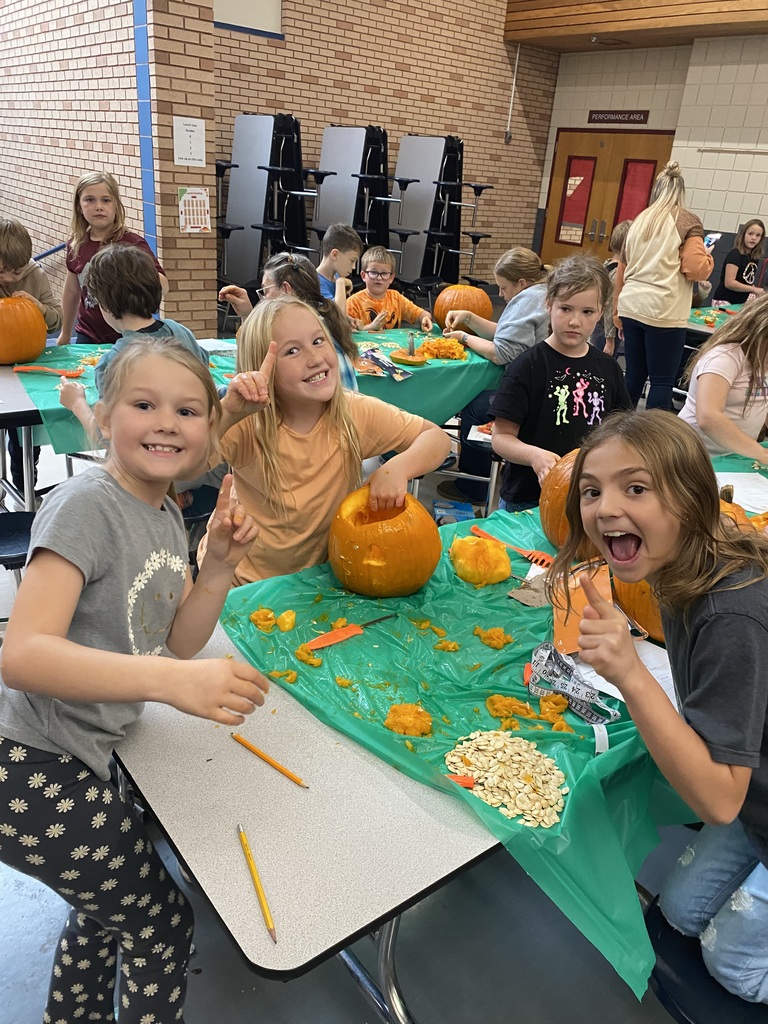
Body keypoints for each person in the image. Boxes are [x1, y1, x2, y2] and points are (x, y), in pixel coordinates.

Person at [0, 337, 270, 1022]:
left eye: (187, 411)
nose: (165, 423)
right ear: (101, 413)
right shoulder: (87, 505)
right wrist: (167, 687)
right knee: (160, 926)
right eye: (143, 405)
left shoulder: (162, 512)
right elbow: (24, 652)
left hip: (82, 755)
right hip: (29, 767)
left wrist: (215, 572)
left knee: (102, 915)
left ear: (209, 428)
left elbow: (176, 640)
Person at [550, 409, 768, 1004]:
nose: (604, 508)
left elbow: (720, 800)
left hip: (743, 798)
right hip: (759, 800)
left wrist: (628, 673)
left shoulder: (731, 611)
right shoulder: (679, 570)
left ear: (693, 499)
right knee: (677, 912)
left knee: (732, 964)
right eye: (592, 491)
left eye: (636, 488)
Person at [196, 296, 450, 585]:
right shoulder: (247, 422)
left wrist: (397, 469)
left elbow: (436, 438)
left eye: (319, 341)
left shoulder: (354, 412)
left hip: (321, 579)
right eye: (292, 351)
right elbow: (189, 466)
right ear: (261, 366)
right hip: (242, 581)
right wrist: (229, 413)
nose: (315, 358)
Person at [489, 254, 631, 510]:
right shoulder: (528, 366)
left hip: (589, 500)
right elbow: (501, 438)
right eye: (565, 309)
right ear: (549, 304)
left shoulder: (609, 369)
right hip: (527, 499)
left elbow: (622, 432)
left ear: (601, 312)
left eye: (587, 311)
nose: (575, 321)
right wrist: (534, 455)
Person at [437, 247, 551, 502]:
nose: (500, 294)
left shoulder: (527, 299)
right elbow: (507, 333)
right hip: (540, 388)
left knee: (475, 407)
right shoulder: (539, 292)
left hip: (532, 396)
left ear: (521, 283)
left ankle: (472, 487)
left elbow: (502, 352)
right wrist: (469, 317)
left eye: (503, 288)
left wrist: (465, 337)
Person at [59, 244, 207, 436]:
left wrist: (77, 402)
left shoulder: (113, 364)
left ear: (105, 305)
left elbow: (108, 436)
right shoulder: (181, 332)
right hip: (195, 447)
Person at [613, 161, 714, 410]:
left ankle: (616, 430)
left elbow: (622, 270)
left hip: (632, 307)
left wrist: (617, 312)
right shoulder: (688, 221)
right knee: (661, 381)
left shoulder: (639, 221)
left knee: (634, 375)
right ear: (681, 191)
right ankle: (654, 442)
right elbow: (694, 268)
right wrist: (708, 257)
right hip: (664, 312)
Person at [218, 251, 360, 391]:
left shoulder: (298, 333)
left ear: (286, 289)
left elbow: (253, 388)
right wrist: (247, 316)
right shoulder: (324, 322)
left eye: (265, 291)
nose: (263, 300)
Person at [56, 171, 168, 346]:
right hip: (88, 334)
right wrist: (65, 333)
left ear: (116, 205)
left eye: (106, 200)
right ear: (79, 205)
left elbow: (163, 286)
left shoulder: (132, 243)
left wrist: (129, 275)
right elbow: (71, 292)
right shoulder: (76, 244)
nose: (98, 206)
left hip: (131, 334)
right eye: (90, 200)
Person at [0, 217, 63, 493]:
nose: (11, 279)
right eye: (3, 272)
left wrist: (37, 306)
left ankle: (24, 486)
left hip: (25, 366)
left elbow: (57, 321)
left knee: (22, 436)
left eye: (16, 272)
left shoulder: (35, 274)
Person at [677, 293, 768, 464]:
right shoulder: (725, 357)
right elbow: (708, 416)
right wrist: (760, 453)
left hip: (736, 455)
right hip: (694, 456)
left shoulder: (763, 359)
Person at [346, 246, 433, 332]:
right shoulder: (353, 303)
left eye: (384, 273)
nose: (379, 278)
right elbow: (346, 333)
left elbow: (421, 314)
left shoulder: (396, 298)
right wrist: (370, 327)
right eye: (373, 272)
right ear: (363, 276)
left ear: (391, 278)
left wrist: (424, 318)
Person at [591, 221, 632, 357]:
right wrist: (610, 340)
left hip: (598, 324)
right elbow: (610, 309)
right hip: (607, 329)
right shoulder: (617, 274)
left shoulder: (606, 264)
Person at [713, 218, 766, 305]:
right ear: (743, 234)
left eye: (758, 235)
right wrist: (753, 289)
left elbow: (745, 280)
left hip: (739, 302)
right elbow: (729, 282)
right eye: (750, 234)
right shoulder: (735, 255)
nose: (753, 238)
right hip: (725, 300)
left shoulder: (754, 258)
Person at [315, 222, 363, 302]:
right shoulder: (316, 283)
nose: (353, 267)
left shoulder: (337, 275)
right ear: (335, 255)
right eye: (352, 260)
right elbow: (338, 313)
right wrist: (340, 283)